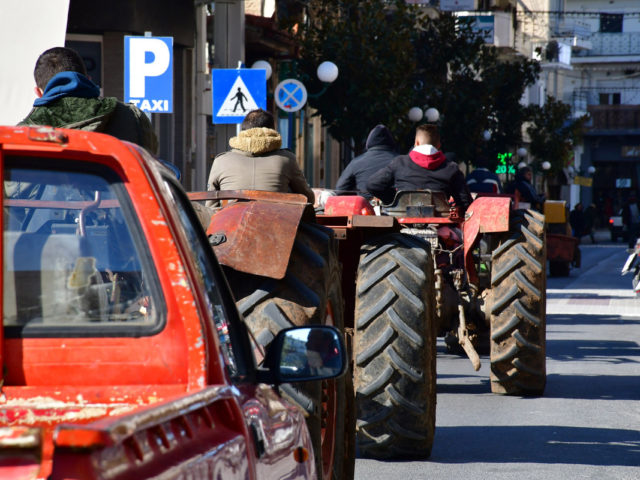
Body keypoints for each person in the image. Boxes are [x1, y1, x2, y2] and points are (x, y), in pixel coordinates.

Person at [19, 47, 158, 154]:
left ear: (38, 92)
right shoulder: (132, 117)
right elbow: (149, 163)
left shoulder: (22, 134)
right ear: (88, 80)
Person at [207, 108, 315, 204]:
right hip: (276, 223)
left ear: (243, 131)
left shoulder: (221, 161)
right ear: (272, 131)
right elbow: (307, 198)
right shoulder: (286, 159)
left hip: (229, 224)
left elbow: (211, 205)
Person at [365, 124, 472, 212]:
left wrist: (394, 199)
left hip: (402, 225)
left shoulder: (399, 162)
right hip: (441, 226)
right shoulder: (451, 168)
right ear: (439, 145)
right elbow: (465, 203)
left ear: (416, 143)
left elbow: (372, 185)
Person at [335, 124, 398, 197]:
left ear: (369, 143)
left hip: (364, 206)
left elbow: (340, 189)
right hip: (396, 206)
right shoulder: (402, 161)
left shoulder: (356, 162)